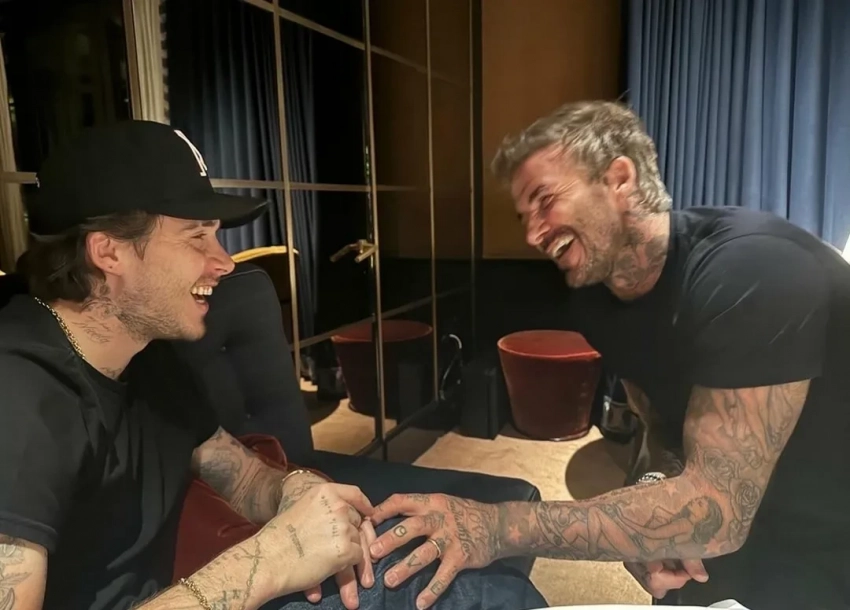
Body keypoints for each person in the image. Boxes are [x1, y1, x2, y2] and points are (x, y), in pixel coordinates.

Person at [0, 121, 547, 610]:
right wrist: (266, 561)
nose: (223, 262)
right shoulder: (19, 399)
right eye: (197, 236)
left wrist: (298, 491)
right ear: (109, 252)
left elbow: (235, 471)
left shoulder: (146, 353)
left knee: (486, 589)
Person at [367, 100, 850, 610]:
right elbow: (659, 428)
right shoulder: (598, 301)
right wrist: (652, 497)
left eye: (545, 200)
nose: (532, 234)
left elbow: (716, 511)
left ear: (619, 179)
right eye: (524, 216)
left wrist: (492, 525)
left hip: (830, 539)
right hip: (726, 542)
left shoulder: (752, 272)